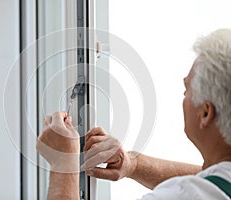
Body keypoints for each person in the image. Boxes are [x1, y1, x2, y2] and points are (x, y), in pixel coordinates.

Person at [36, 29, 231, 199]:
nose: (183, 96)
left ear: (205, 113)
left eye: (186, 89)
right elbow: (212, 178)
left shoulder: (185, 195)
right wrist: (132, 164)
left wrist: (63, 164)